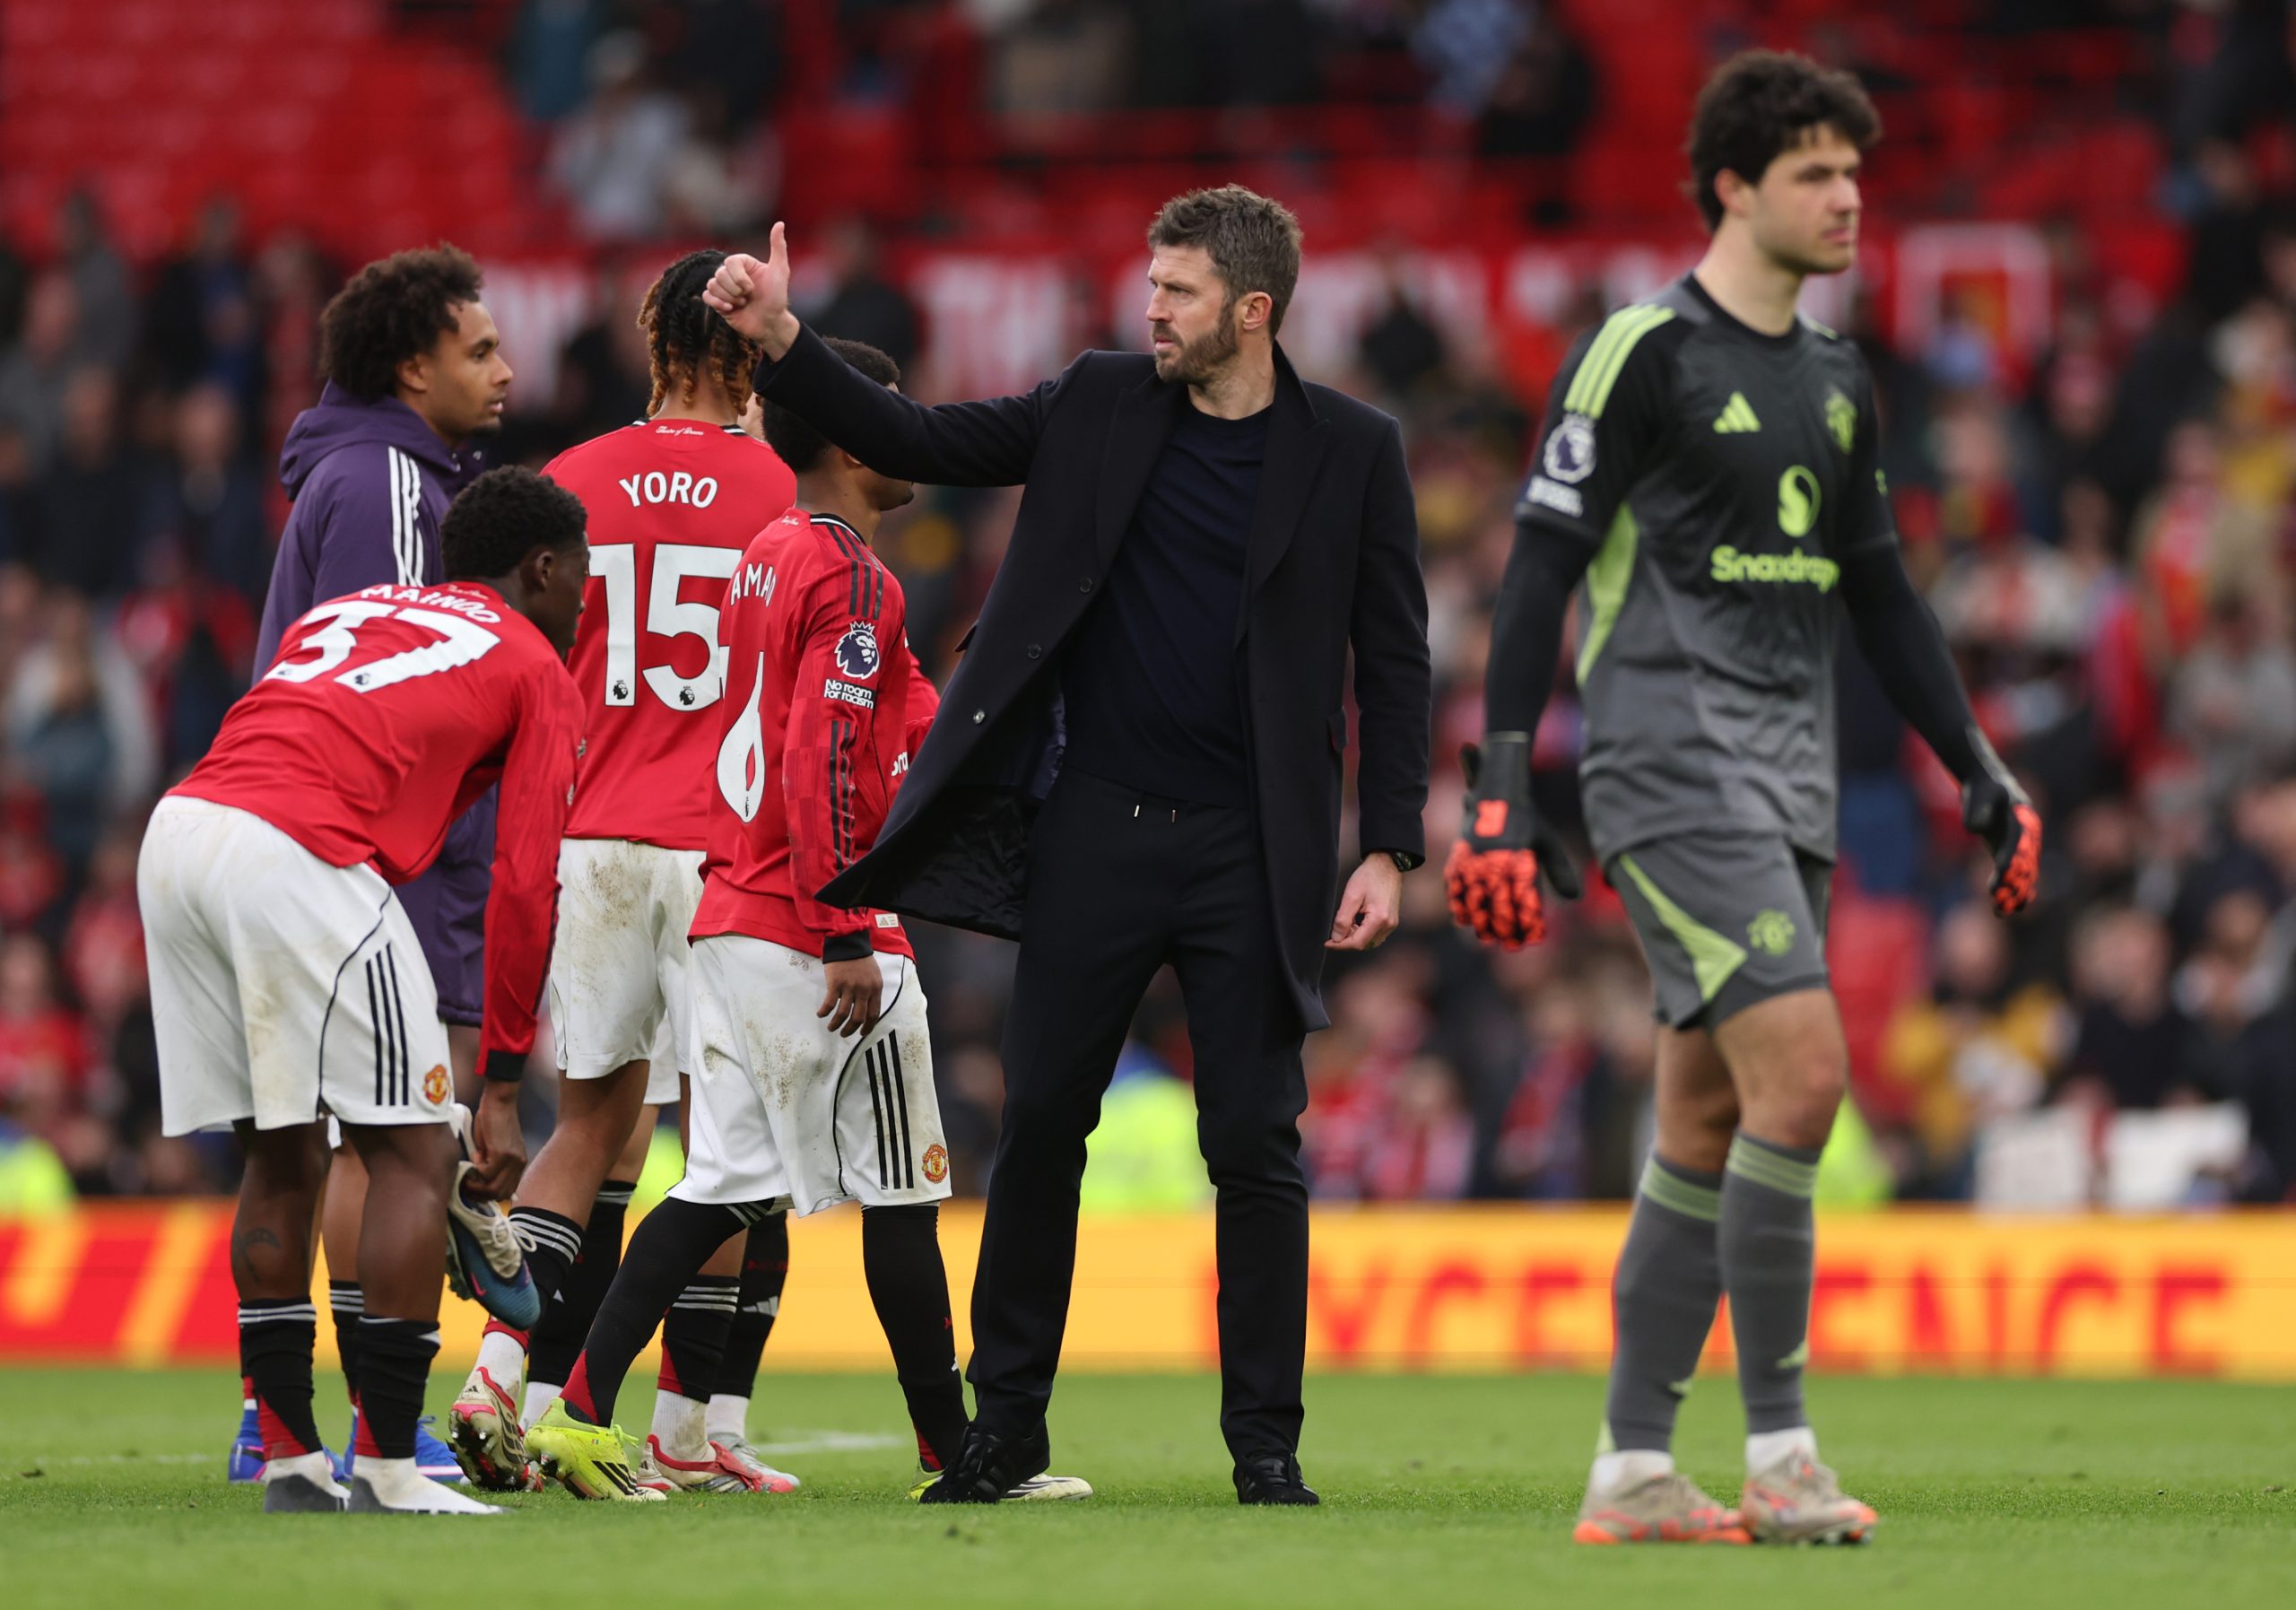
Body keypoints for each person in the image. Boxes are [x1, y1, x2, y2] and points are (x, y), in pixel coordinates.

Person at [702, 183, 1432, 1505]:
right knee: (1040, 1122)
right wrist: (785, 340)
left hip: (1253, 844)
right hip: (1095, 823)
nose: (1151, 309)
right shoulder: (1098, 400)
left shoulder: (1353, 448)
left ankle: (1265, 1444)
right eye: (1151, 284)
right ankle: (1006, 1430)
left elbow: (1393, 655)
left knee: (1254, 1141)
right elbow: (915, 433)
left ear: (1252, 310)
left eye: (1178, 291)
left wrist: (1387, 845)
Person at [1446, 51, 2041, 1546]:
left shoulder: (1837, 379)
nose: (1848, 198)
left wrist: (1977, 764)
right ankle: (1781, 1452)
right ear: (1731, 186)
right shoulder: (1642, 351)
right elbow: (1539, 565)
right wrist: (1501, 786)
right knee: (1809, 1075)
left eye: (1855, 172)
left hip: (1790, 782)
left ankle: (1634, 1468)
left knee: (1707, 1115)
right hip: (1669, 764)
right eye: (1815, 173)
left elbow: (1883, 593)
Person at [526, 340, 1088, 1504]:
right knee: (902, 1192)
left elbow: (889, 723)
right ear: (845, 438)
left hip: (732, 908)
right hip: (814, 920)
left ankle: (575, 1413)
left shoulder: (767, 558)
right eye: (889, 412)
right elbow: (821, 752)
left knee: (720, 1183)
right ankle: (957, 1454)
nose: (911, 431)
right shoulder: (851, 576)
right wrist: (846, 925)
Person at [141, 466, 588, 1514]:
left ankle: (289, 1458)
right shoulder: (534, 662)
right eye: (580, 575)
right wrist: (502, 1081)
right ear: (540, 568)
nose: (585, 598)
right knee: (414, 1156)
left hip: (181, 833)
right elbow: (526, 882)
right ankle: (389, 1465)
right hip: (298, 851)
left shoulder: (354, 608)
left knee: (280, 1152)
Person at [444, 249, 799, 1496]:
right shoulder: (779, 487)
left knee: (589, 1124)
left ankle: (495, 1379)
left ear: (653, 342)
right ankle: (683, 1433)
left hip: (592, 834)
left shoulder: (574, 478)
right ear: (749, 353)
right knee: (724, 1146)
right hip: (720, 848)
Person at [230, 245, 513, 1485]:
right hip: (370, 862)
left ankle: (275, 1424)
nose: (505, 369)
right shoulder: (393, 484)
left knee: (305, 1140)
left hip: (297, 845)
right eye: (479, 349)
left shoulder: (362, 473)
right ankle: (371, 1426)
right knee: (386, 1144)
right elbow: (387, 690)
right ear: (412, 368)